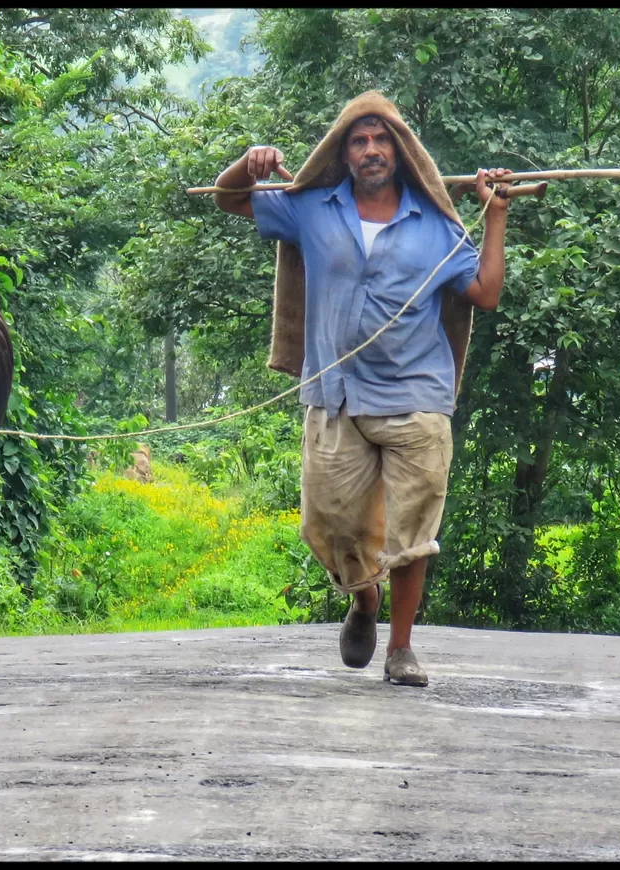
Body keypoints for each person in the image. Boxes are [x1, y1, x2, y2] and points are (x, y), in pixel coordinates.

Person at [211, 90, 512, 686]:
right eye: (358, 140)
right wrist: (246, 165)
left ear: (400, 151)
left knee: (413, 533)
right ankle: (363, 600)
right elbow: (228, 200)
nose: (371, 149)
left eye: (381, 139)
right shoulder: (311, 210)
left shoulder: (436, 225)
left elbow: (485, 292)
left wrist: (496, 212)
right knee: (330, 522)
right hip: (337, 395)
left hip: (417, 400)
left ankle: (401, 649)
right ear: (343, 153)